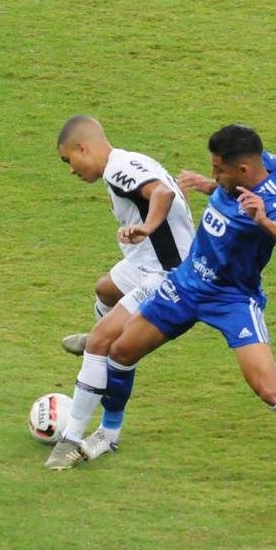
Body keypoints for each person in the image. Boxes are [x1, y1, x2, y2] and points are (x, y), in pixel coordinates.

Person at [58, 123, 276, 496]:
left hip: (232, 300)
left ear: (243, 170)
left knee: (269, 389)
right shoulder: (261, 165)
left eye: (218, 170)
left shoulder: (272, 200)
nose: (213, 174)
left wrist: (264, 221)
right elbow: (273, 163)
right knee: (121, 351)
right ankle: (109, 434)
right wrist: (210, 186)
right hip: (187, 282)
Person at [45, 115, 194, 468]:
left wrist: (147, 226)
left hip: (166, 274)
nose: (70, 170)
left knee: (100, 343)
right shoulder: (127, 161)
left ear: (83, 147)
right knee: (105, 290)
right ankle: (101, 346)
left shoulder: (118, 168)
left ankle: (70, 440)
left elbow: (162, 192)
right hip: (145, 262)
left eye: (69, 160)